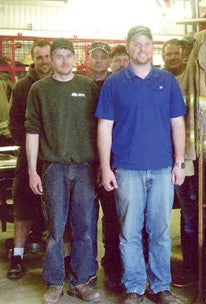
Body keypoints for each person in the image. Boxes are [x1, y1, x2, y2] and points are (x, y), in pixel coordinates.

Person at [96, 25, 186, 304]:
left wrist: (179, 162)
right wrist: (106, 167)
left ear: (153, 47)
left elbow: (177, 124)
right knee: (129, 232)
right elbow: (104, 127)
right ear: (129, 46)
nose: (143, 48)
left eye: (147, 43)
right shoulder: (114, 83)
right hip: (127, 169)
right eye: (137, 43)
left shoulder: (167, 81)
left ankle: (161, 287)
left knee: (159, 232)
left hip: (162, 169)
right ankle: (134, 286)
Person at [25, 38, 101, 304]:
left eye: (69, 55)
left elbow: (100, 128)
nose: (65, 60)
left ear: (75, 58)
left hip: (85, 169)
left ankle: (82, 282)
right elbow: (32, 131)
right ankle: (55, 281)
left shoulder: (88, 87)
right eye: (59, 56)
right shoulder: (39, 89)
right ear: (52, 58)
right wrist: (33, 171)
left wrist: (102, 165)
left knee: (85, 228)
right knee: (55, 229)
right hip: (53, 168)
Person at [7, 39, 51, 280]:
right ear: (33, 59)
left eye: (47, 56)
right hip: (28, 160)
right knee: (23, 209)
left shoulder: (60, 84)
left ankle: (61, 258)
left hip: (55, 160)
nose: (44, 61)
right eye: (40, 57)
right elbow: (15, 123)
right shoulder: (23, 87)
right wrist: (33, 148)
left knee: (58, 212)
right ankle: (18, 256)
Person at [161, 37, 198, 288]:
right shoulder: (157, 80)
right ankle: (159, 269)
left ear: (184, 55)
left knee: (189, 217)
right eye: (169, 54)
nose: (173, 57)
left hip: (185, 159)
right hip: (159, 158)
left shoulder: (190, 79)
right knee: (158, 218)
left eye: (177, 53)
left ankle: (191, 268)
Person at [87, 40, 124, 291]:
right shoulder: (80, 86)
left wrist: (106, 163)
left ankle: (113, 269)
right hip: (84, 163)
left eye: (103, 56)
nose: (99, 60)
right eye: (95, 56)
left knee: (113, 219)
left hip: (111, 164)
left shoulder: (116, 86)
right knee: (84, 220)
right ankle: (85, 269)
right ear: (88, 59)